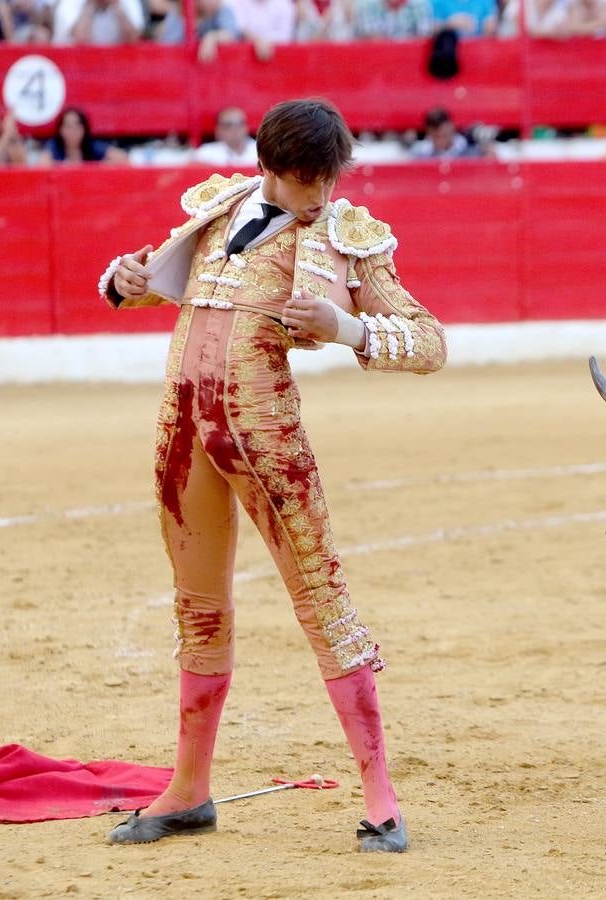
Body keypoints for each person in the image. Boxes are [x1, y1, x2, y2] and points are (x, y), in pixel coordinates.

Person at [97, 98, 445, 852]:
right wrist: (123, 279)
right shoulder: (217, 209)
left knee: (324, 604)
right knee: (198, 610)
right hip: (183, 436)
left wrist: (346, 327)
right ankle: (189, 791)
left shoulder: (347, 239)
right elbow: (156, 282)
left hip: (268, 443)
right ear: (269, 168)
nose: (318, 194)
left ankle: (381, 798)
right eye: (301, 179)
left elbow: (429, 341)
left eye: (327, 177)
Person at [160, 0, 240, 61]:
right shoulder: (179, 12)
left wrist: (212, 37)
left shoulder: (223, 11)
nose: (212, 2)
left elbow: (231, 34)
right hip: (181, 69)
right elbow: (166, 45)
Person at [45, 107, 128, 163]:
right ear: (60, 129)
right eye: (68, 126)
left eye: (77, 127)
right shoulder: (54, 146)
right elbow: (43, 165)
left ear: (84, 129)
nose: (72, 131)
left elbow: (122, 157)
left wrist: (99, 168)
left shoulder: (92, 146)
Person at [53, 0, 144, 44]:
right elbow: (81, 38)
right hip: (73, 67)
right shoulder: (69, 2)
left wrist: (117, 5)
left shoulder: (128, 2)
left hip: (113, 66)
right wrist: (91, 4)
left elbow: (133, 38)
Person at [193, 107, 260, 166]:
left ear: (246, 127)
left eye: (240, 124)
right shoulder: (206, 153)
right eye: (228, 125)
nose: (235, 129)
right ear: (218, 130)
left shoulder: (260, 150)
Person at [229, 0, 294, 57]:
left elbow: (285, 35)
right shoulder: (238, 2)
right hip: (243, 58)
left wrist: (263, 41)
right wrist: (258, 41)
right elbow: (238, 28)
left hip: (278, 58)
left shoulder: (284, 4)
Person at [410, 107, 475, 158]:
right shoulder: (419, 152)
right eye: (436, 136)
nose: (441, 141)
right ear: (428, 132)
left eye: (445, 135)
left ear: (452, 127)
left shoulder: (468, 148)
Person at [353, 0, 432, 38]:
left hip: (412, 59)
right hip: (377, 59)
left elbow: (423, 37)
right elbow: (372, 39)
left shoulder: (420, 4)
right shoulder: (366, 5)